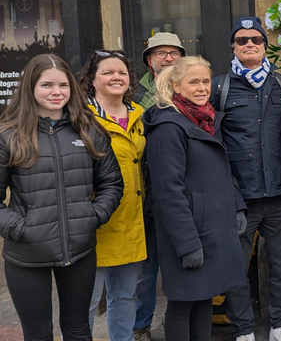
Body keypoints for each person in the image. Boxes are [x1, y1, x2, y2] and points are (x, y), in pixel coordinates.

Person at [0, 54, 123, 341]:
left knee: (78, 330)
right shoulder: (8, 136)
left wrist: (92, 217)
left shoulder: (89, 129)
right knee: (38, 334)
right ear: (30, 87)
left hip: (80, 251)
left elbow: (112, 184)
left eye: (63, 85)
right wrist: (20, 229)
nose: (57, 92)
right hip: (26, 255)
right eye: (47, 85)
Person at [142, 56, 247, 341]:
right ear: (176, 85)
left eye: (205, 81)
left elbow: (224, 169)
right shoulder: (168, 126)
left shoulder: (205, 120)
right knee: (182, 304)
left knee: (203, 299)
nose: (202, 88)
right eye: (193, 82)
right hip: (189, 232)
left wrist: (236, 206)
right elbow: (167, 192)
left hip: (211, 228)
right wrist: (187, 244)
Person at [212, 17, 281, 341]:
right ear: (233, 46)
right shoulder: (220, 88)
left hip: (278, 196)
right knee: (236, 269)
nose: (250, 44)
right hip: (239, 198)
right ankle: (244, 328)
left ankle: (280, 325)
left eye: (256, 39)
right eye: (242, 39)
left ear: (264, 45)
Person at [78, 50, 147, 341]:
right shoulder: (80, 119)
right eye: (108, 72)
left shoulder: (137, 115)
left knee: (125, 296)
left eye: (122, 72)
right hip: (93, 223)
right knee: (85, 303)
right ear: (92, 80)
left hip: (131, 220)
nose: (116, 77)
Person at [133, 32, 185, 341]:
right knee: (146, 270)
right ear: (149, 61)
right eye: (160, 53)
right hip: (145, 193)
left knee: (180, 267)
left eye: (173, 53)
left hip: (180, 191)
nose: (167, 58)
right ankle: (140, 326)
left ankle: (174, 322)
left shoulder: (193, 88)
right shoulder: (133, 93)